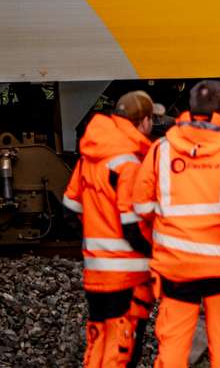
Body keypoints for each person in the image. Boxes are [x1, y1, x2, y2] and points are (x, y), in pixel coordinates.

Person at [124, 80, 220, 368]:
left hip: (176, 267)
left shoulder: (160, 150)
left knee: (173, 348)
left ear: (189, 109)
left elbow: (141, 207)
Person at [63, 90, 160, 368]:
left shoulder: (88, 158)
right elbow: (132, 228)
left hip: (96, 273)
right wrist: (155, 254)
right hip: (127, 275)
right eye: (151, 119)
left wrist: (97, 236)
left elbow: (69, 211)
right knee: (122, 345)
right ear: (142, 122)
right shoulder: (129, 164)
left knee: (98, 340)